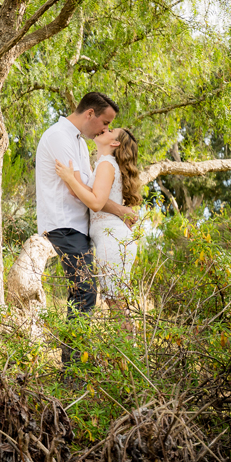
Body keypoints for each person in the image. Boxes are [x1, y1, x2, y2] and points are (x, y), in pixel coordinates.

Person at [35, 92, 135, 365]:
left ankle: (81, 363)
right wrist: (119, 210)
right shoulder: (60, 137)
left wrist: (120, 211)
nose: (105, 129)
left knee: (88, 291)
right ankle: (72, 369)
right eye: (105, 122)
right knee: (85, 290)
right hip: (64, 224)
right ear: (90, 113)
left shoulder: (79, 143)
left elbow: (94, 194)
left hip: (81, 227)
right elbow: (79, 191)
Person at [55, 127, 141, 325]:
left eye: (111, 130)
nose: (103, 129)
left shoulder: (106, 164)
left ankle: (129, 353)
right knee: (116, 303)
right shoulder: (105, 164)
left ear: (115, 143)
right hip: (110, 238)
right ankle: (129, 351)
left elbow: (95, 201)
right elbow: (94, 194)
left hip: (112, 240)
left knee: (116, 304)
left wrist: (69, 179)